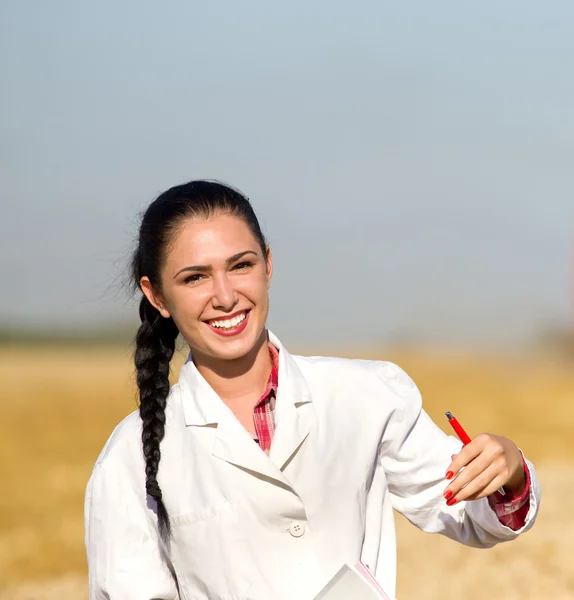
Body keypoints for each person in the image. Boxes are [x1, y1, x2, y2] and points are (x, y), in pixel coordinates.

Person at [84, 180, 540, 600]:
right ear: (157, 295)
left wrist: (509, 469)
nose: (224, 296)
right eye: (195, 277)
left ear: (268, 264)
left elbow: (471, 517)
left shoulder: (366, 395)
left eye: (240, 266)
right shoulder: (130, 457)